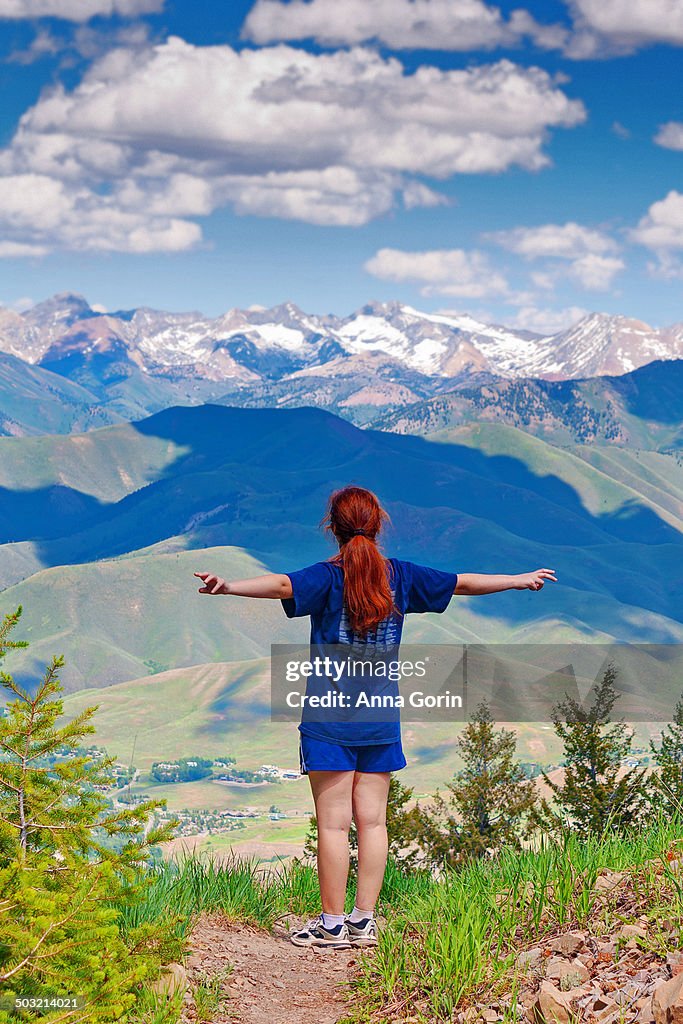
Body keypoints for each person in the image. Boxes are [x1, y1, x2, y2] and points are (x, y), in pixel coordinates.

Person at [194, 485, 557, 949]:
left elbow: (283, 585)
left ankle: (331, 926)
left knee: (332, 824)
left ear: (333, 527)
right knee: (373, 823)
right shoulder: (400, 577)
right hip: (381, 719)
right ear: (378, 523)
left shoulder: (328, 578)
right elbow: (462, 582)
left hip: (328, 721)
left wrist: (228, 587)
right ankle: (364, 923)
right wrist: (518, 578)